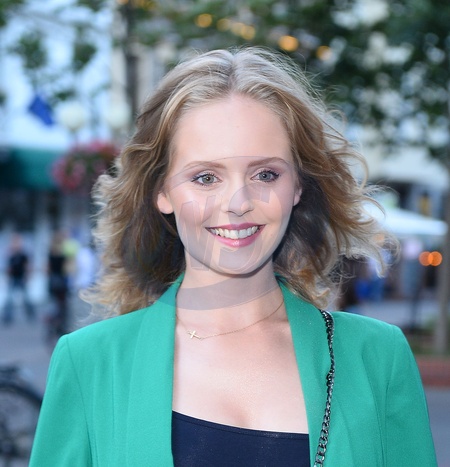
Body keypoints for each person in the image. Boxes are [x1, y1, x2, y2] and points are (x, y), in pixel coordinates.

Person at [30, 47, 436, 466]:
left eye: (266, 174)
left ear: (297, 186)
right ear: (162, 192)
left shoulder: (377, 357)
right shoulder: (90, 363)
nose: (238, 202)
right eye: (206, 177)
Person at [2, 233, 34, 324]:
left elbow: (27, 267)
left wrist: (27, 277)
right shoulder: (10, 255)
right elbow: (8, 268)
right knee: (9, 299)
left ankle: (31, 314)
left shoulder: (23, 255)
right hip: (13, 278)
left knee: (26, 298)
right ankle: (7, 317)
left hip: (21, 278)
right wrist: (7, 278)